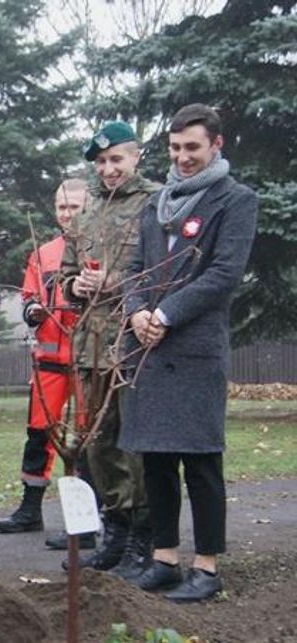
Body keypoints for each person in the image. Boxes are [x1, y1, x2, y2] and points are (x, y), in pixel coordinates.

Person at [121, 104, 258, 601]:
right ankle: (164, 558)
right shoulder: (157, 204)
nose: (182, 158)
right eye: (175, 148)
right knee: (156, 460)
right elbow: (134, 267)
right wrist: (137, 311)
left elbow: (223, 275)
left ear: (216, 145)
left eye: (192, 148)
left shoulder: (235, 200)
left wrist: (165, 314)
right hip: (149, 349)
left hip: (195, 348)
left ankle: (206, 566)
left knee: (201, 462)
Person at [61, 122, 160, 576]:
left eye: (116, 159)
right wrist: (76, 285)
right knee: (97, 445)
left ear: (135, 157)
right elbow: (63, 276)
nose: (108, 169)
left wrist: (115, 283)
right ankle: (115, 529)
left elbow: (166, 272)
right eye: (100, 162)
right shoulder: (86, 212)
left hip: (135, 341)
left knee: (135, 445)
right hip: (90, 344)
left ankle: (146, 534)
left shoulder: (155, 203)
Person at [0, 179, 91, 543]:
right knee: (39, 434)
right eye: (62, 207)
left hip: (87, 361)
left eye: (75, 207)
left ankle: (87, 520)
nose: (68, 214)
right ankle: (30, 509)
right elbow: (29, 297)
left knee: (87, 439)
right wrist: (33, 310)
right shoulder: (42, 253)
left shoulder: (101, 249)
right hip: (49, 359)